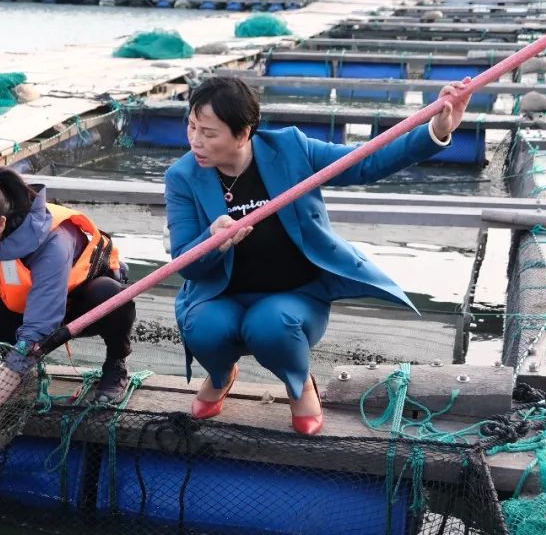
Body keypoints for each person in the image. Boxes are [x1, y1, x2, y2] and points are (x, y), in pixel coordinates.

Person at [164, 76, 472, 436]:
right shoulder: (182, 176)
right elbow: (185, 260)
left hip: (294, 294)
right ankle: (221, 375)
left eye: (209, 133)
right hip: (221, 293)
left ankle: (299, 386)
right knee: (203, 326)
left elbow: (365, 163)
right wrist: (211, 241)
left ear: (243, 132)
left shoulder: (290, 150)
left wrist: (435, 129)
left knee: (270, 325)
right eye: (191, 126)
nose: (195, 141)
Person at [0, 169, 136, 457]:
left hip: (76, 307)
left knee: (110, 295)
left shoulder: (52, 242)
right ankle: (17, 371)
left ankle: (116, 361)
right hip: (20, 306)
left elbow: (37, 332)